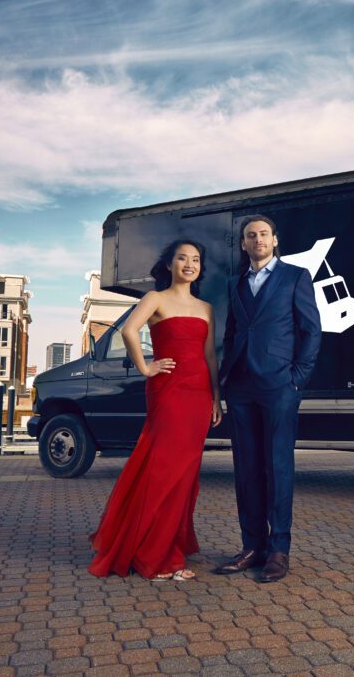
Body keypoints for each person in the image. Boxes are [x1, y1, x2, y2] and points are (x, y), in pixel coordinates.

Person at [88, 239, 223, 581]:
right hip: (168, 390)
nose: (189, 264)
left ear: (200, 267)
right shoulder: (155, 299)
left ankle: (169, 548)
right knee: (163, 468)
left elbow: (209, 357)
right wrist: (146, 367)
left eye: (195, 259)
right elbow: (130, 330)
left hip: (199, 393)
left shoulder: (206, 308)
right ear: (169, 264)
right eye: (182, 258)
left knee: (186, 474)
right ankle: (154, 555)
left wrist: (216, 396)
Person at [213, 214, 322, 583]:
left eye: (263, 234)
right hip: (241, 386)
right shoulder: (235, 283)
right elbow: (232, 333)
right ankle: (251, 546)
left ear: (274, 240)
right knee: (246, 468)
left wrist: (297, 379)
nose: (257, 239)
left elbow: (311, 330)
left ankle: (279, 550)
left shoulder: (295, 277)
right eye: (250, 235)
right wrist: (227, 378)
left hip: (279, 386)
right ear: (243, 244)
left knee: (278, 467)